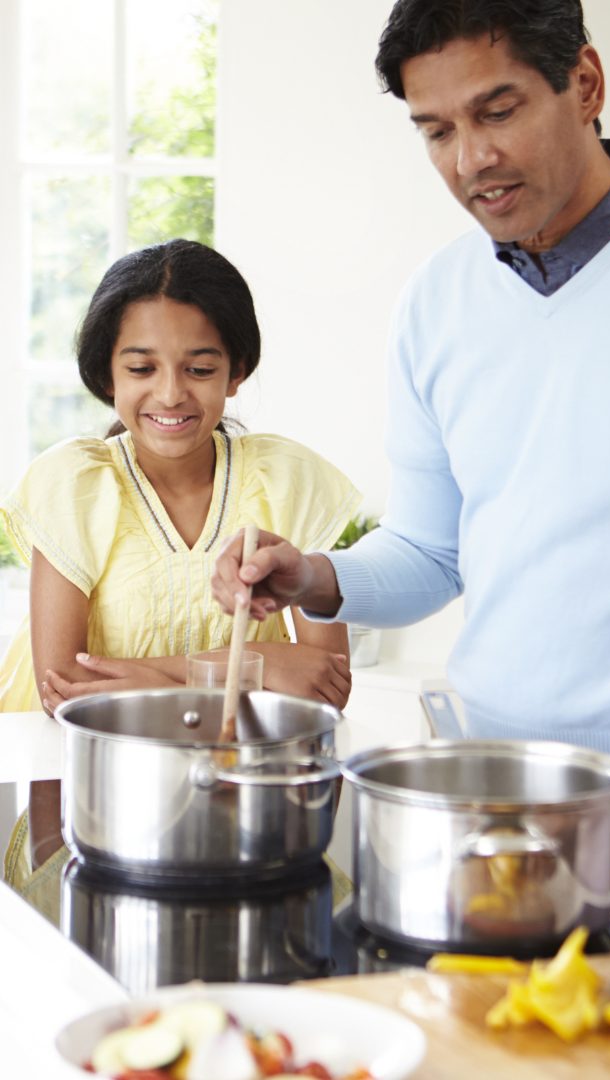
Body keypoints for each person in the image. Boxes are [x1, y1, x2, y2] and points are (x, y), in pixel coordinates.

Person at [212, 0, 610, 894]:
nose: (471, 160)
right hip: (479, 787)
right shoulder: (436, 303)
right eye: (436, 130)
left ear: (584, 84)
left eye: (496, 111)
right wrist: (313, 576)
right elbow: (436, 551)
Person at [1, 238, 362, 886]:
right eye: (141, 369)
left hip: (261, 827)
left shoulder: (288, 481)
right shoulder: (72, 485)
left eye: (199, 369)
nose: (170, 395)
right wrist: (249, 668)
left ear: (237, 370)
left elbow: (324, 687)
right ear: (106, 375)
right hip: (93, 829)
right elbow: (65, 691)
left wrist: (141, 683)